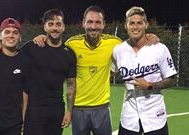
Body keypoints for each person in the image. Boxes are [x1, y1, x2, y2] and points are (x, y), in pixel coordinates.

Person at [33, 5, 159, 135]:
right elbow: (56, 48)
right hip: (78, 110)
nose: (93, 26)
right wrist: (43, 37)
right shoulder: (72, 44)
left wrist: (149, 36)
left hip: (102, 109)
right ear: (83, 23)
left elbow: (134, 44)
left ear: (104, 24)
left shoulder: (114, 43)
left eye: (98, 22)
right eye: (90, 22)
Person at [112, 6, 177, 135]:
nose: (135, 27)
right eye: (132, 23)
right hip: (129, 117)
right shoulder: (118, 50)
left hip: (155, 116)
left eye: (139, 23)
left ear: (146, 24)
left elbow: (171, 80)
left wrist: (150, 85)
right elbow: (109, 72)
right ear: (126, 25)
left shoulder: (159, 48)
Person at [19, 9, 77, 135]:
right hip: (34, 110)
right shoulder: (32, 47)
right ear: (44, 27)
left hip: (56, 111)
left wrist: (69, 111)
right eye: (50, 24)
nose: (54, 28)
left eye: (58, 24)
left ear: (63, 27)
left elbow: (71, 86)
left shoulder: (69, 54)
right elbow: (12, 56)